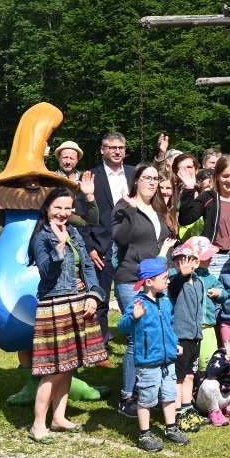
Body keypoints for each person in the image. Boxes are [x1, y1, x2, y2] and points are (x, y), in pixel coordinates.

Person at [26, 186, 109, 443]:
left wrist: (94, 295)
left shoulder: (73, 231)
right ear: (47, 208)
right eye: (57, 207)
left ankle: (59, 418)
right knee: (53, 369)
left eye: (67, 207)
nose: (63, 213)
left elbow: (87, 266)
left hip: (79, 302)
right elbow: (47, 272)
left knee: (69, 365)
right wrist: (59, 248)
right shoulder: (41, 237)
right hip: (55, 305)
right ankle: (38, 424)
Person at [105, 163, 178, 418]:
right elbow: (121, 239)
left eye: (155, 178)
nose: (152, 182)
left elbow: (157, 242)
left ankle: (150, 390)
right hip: (131, 280)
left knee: (155, 334)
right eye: (146, 178)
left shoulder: (156, 208)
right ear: (135, 181)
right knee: (137, 338)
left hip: (156, 279)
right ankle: (127, 396)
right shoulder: (124, 206)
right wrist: (132, 211)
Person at [118, 257, 190, 452]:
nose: (168, 281)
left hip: (168, 360)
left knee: (168, 395)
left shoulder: (165, 301)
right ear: (149, 282)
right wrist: (134, 317)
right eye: (165, 278)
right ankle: (145, 434)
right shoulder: (138, 303)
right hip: (148, 361)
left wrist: (175, 343)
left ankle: (170, 428)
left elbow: (170, 325)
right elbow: (122, 326)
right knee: (147, 398)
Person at [73, 131, 135, 345]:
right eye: (112, 147)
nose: (117, 151)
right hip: (101, 247)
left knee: (135, 293)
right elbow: (80, 217)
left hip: (132, 245)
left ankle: (134, 337)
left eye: (121, 147)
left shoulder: (134, 174)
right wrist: (89, 248)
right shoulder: (91, 177)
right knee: (99, 298)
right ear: (102, 150)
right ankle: (99, 345)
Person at [167, 237, 217, 420]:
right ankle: (178, 412)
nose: (183, 264)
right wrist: (182, 275)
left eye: (188, 260)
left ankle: (187, 408)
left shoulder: (199, 282)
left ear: (197, 262)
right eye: (179, 260)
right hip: (180, 337)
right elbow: (173, 288)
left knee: (189, 375)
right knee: (179, 377)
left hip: (196, 336)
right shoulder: (174, 281)